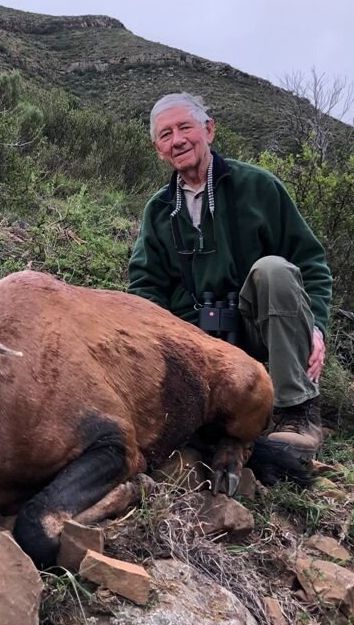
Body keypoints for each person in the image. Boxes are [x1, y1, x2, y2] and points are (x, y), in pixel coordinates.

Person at [129, 92, 332, 460]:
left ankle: (297, 414)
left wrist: (315, 327)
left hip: (257, 330)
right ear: (158, 149)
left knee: (275, 270)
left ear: (209, 130)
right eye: (165, 134)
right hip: (193, 340)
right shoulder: (157, 211)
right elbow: (146, 288)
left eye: (185, 127)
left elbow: (310, 262)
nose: (177, 140)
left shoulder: (258, 187)